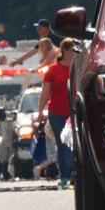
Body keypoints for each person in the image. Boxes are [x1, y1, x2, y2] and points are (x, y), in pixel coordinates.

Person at [36, 38, 76, 189]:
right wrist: (40, 110)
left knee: (74, 144)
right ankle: (66, 175)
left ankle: (73, 173)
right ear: (64, 50)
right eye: (72, 50)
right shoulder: (53, 70)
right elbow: (46, 92)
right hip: (57, 113)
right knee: (63, 143)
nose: (74, 53)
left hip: (73, 112)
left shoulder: (77, 69)